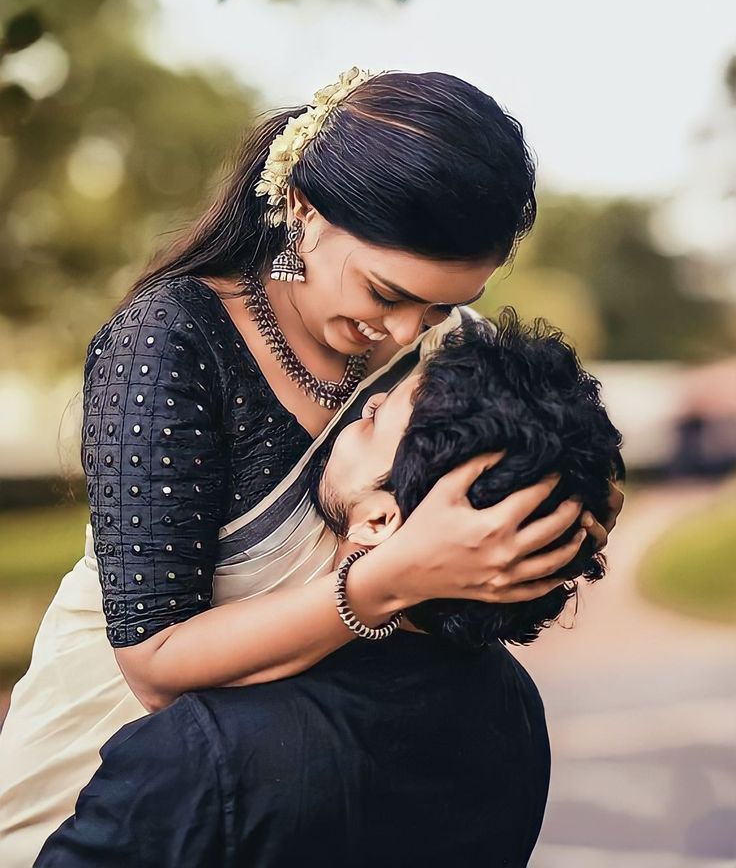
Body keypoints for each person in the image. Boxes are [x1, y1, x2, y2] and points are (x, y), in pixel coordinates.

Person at [0, 67, 622, 865]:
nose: (406, 333)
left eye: (438, 306)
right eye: (386, 292)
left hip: (314, 776)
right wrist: (388, 578)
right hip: (126, 775)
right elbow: (153, 667)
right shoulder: (171, 341)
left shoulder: (444, 354)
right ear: (303, 208)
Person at [35, 312, 623, 868]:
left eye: (374, 422)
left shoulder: (203, 752)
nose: (363, 403)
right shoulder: (515, 709)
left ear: (380, 522)